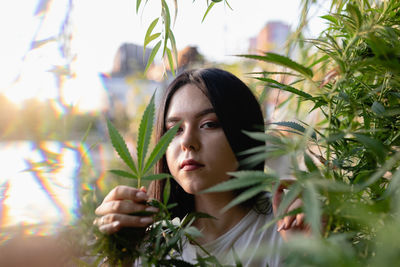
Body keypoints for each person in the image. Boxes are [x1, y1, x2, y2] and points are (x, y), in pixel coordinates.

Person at [94, 68, 306, 266]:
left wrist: (312, 252)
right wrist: (115, 253)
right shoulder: (151, 238)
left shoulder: (287, 225)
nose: (187, 141)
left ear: (245, 135)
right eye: (174, 130)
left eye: (209, 124)